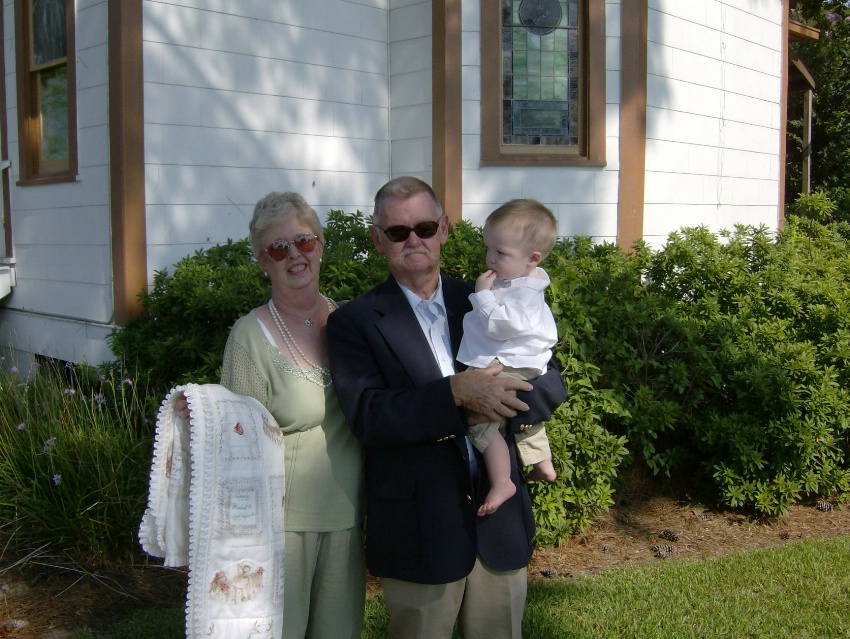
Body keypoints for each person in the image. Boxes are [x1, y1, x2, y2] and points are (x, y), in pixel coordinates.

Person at [327, 177, 566, 639]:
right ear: (378, 239)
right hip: (420, 529)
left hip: (498, 527)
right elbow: (370, 416)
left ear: (444, 228)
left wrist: (503, 403)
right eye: (398, 232)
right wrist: (456, 394)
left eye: (424, 226)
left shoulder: (485, 297)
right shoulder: (354, 322)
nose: (414, 239)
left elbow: (548, 378)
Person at [220, 191, 365, 639]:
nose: (295, 256)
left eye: (303, 241)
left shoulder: (349, 321)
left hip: (348, 514)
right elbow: (234, 446)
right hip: (280, 530)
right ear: (263, 261)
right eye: (278, 248)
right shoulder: (249, 337)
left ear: (320, 245)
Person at [457, 199, 560, 516]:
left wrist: (483, 297)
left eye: (500, 253)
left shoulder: (524, 292)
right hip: (514, 361)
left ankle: (502, 480)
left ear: (532, 258)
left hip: (510, 362)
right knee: (518, 414)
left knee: (484, 422)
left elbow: (503, 327)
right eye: (488, 248)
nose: (490, 258)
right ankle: (541, 461)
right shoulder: (515, 282)